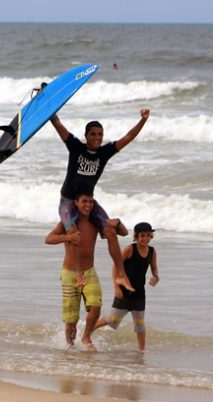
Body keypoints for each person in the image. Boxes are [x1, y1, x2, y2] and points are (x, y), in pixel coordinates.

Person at [50, 108, 150, 290]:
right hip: (69, 201)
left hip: (88, 202)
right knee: (73, 232)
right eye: (93, 134)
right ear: (86, 135)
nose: (97, 137)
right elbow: (58, 125)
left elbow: (128, 137)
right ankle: (79, 273)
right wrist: (49, 109)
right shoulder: (76, 147)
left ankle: (120, 274)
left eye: (100, 134)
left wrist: (143, 120)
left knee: (111, 231)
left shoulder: (105, 153)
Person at [45, 191, 127, 351]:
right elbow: (48, 239)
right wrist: (67, 238)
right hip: (70, 275)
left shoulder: (95, 222)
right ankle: (69, 349)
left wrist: (117, 222)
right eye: (84, 201)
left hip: (89, 272)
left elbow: (123, 233)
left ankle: (86, 338)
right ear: (76, 202)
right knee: (71, 319)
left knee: (96, 307)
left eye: (91, 202)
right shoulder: (67, 224)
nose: (88, 205)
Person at [94, 222, 159, 351]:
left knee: (140, 326)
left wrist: (155, 277)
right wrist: (116, 287)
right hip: (124, 292)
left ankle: (141, 352)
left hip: (139, 294)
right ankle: (88, 330)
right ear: (136, 236)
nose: (145, 238)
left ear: (151, 236)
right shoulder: (130, 249)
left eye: (148, 235)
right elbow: (115, 266)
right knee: (113, 320)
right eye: (142, 236)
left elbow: (155, 269)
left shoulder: (152, 251)